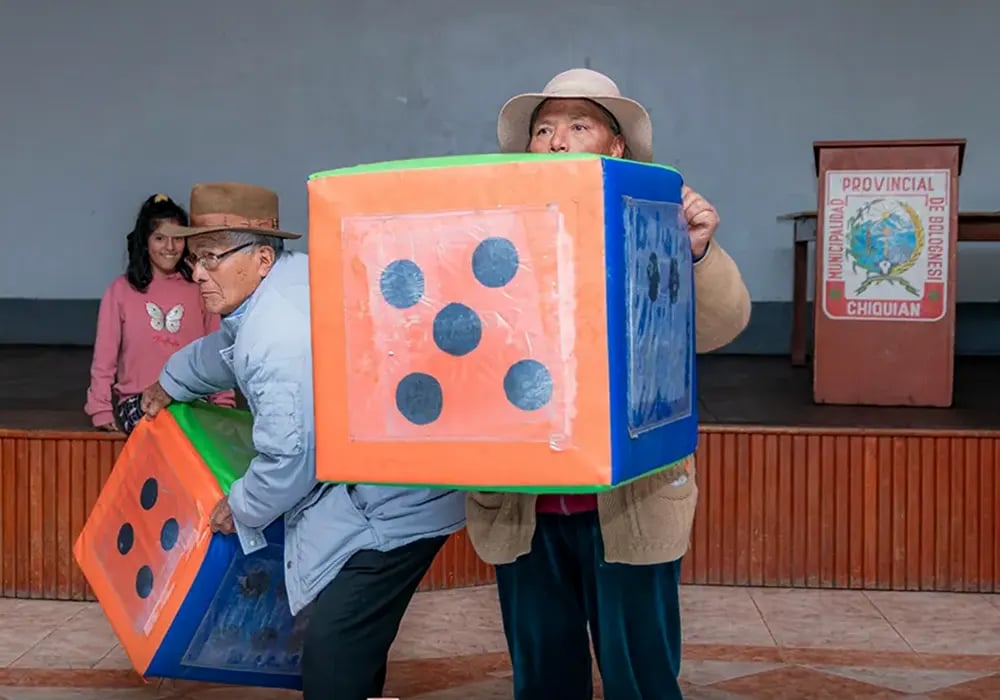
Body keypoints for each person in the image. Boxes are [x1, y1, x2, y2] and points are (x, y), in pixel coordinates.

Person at [466, 68, 753, 700]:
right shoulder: (492, 230)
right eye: (544, 129)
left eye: (578, 125)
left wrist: (697, 252)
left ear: (616, 145)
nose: (557, 141)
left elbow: (721, 326)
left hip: (629, 506)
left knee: (641, 680)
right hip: (524, 502)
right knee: (543, 681)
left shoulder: (656, 223)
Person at [138, 182, 466, 700]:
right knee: (350, 649)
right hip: (390, 487)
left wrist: (241, 506)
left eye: (212, 258)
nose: (197, 273)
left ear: (262, 258)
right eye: (195, 258)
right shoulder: (283, 285)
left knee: (333, 662)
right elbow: (224, 350)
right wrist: (171, 380)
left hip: (393, 505)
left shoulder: (278, 334)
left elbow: (291, 457)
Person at [84, 193, 234, 434]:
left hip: (192, 400)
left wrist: (223, 403)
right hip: (138, 401)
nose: (170, 247)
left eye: (177, 238)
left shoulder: (201, 288)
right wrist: (100, 408)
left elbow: (216, 351)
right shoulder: (120, 291)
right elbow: (104, 358)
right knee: (166, 428)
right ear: (145, 242)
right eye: (160, 238)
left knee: (188, 431)